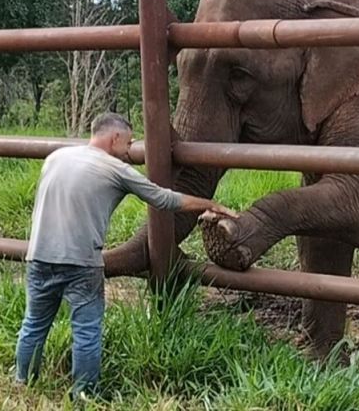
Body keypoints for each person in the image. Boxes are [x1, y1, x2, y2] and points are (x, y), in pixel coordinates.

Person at [14, 112, 236, 398]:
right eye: (129, 143)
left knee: (34, 322)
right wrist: (211, 204)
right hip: (81, 261)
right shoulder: (115, 169)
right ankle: (84, 394)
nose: (130, 151)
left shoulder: (56, 157)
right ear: (114, 138)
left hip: (39, 255)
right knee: (86, 330)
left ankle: (23, 381)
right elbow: (164, 199)